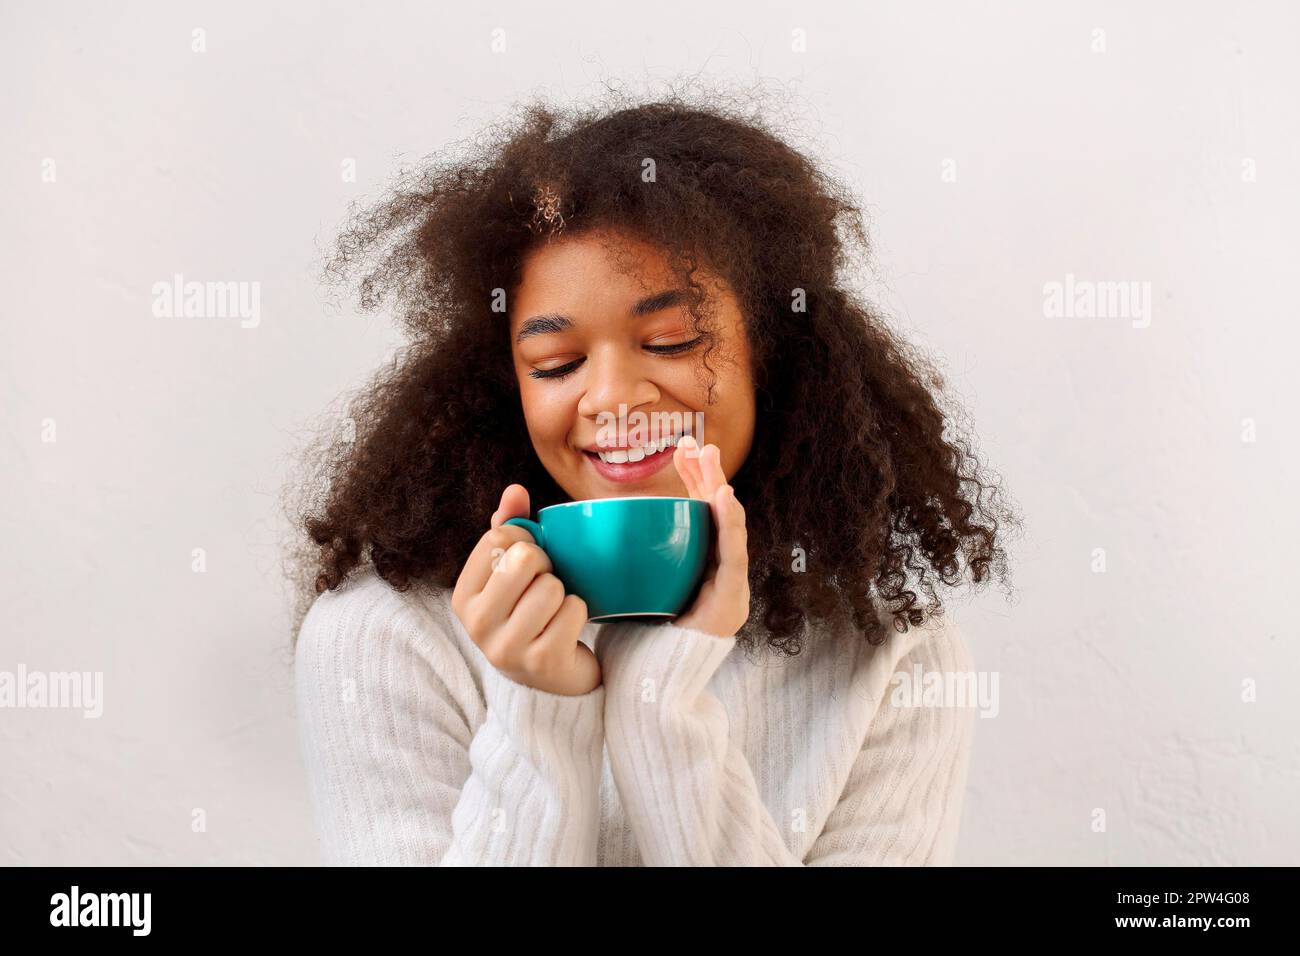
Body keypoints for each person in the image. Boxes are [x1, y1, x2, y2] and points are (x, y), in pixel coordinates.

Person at [290, 93, 1016, 866]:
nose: (609, 398)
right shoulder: (383, 636)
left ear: (772, 359)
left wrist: (656, 701)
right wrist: (538, 709)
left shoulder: (894, 658)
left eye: (671, 342)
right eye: (557, 364)